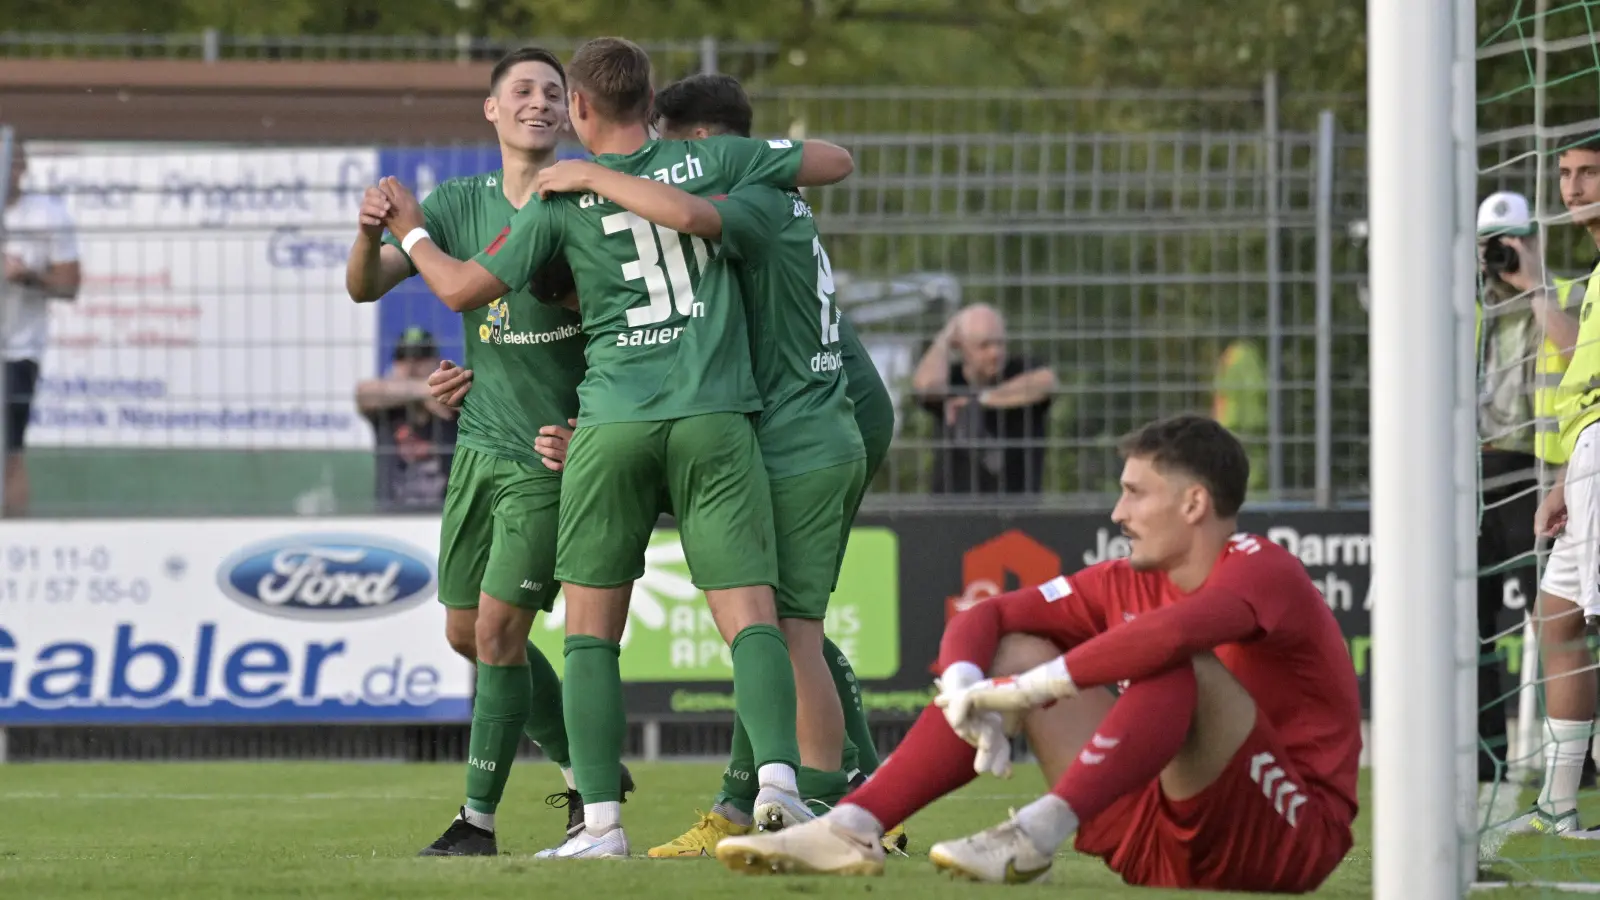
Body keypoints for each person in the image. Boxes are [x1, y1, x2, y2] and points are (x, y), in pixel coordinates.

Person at [377, 36, 857, 859]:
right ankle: (778, 785)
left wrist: (414, 233)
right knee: (752, 619)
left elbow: (459, 290)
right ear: (651, 102)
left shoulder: (556, 199)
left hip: (608, 426)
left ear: (582, 111)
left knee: (592, 635)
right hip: (717, 418)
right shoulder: (708, 162)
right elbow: (833, 161)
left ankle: (600, 826)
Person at [713, 414, 1361, 893]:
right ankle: (853, 825)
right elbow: (990, 614)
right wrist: (969, 687)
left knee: (1176, 657)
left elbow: (1172, 636)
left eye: (1136, 493)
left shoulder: (1259, 566)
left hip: (1288, 834)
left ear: (1194, 503)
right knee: (1016, 646)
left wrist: (1025, 695)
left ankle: (1034, 833)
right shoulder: (1126, 577)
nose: (1118, 511)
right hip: (1154, 841)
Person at [344, 46, 631, 857]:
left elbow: (611, 322)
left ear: (572, 111)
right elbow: (367, 286)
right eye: (522, 90)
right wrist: (371, 233)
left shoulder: (584, 197)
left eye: (552, 91)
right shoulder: (462, 201)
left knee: (503, 633)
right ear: (492, 110)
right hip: (478, 446)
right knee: (466, 634)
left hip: (553, 455)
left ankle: (477, 822)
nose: (539, 101)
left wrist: (595, 426)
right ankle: (584, 770)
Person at [1471, 190, 1586, 787]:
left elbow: (1580, 359)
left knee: (1557, 618)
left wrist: (1534, 283)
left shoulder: (1568, 295)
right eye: (1492, 244)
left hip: (1542, 472)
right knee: (1474, 620)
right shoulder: (1467, 308)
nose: (1501, 254)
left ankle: (1575, 759)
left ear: (1535, 239)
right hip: (1475, 472)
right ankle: (1487, 758)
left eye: (1512, 241)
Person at [1518, 131, 1600, 836]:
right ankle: (1560, 806)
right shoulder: (1598, 274)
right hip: (1587, 457)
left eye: (1588, 173)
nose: (1572, 187)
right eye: (1566, 174)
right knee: (1558, 617)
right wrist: (1572, 474)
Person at [3, 138, 81, 516]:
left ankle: (13, 544)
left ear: (23, 168)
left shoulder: (47, 214)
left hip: (16, 350)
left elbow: (69, 287)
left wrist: (27, 277)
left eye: (11, 161)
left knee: (9, 453)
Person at [911, 303, 1056, 495]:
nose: (995, 353)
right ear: (962, 347)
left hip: (1016, 506)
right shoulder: (951, 381)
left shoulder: (1020, 370)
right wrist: (945, 338)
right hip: (952, 507)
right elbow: (924, 386)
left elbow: (1047, 382)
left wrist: (980, 399)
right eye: (984, 345)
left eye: (1000, 343)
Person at [355, 327, 459, 512]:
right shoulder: (385, 408)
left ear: (436, 363)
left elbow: (474, 401)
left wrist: (437, 393)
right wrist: (426, 390)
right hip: (391, 516)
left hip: (446, 513)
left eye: (420, 358)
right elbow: (364, 393)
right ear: (394, 365)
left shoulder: (451, 407)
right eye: (403, 358)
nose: (411, 366)